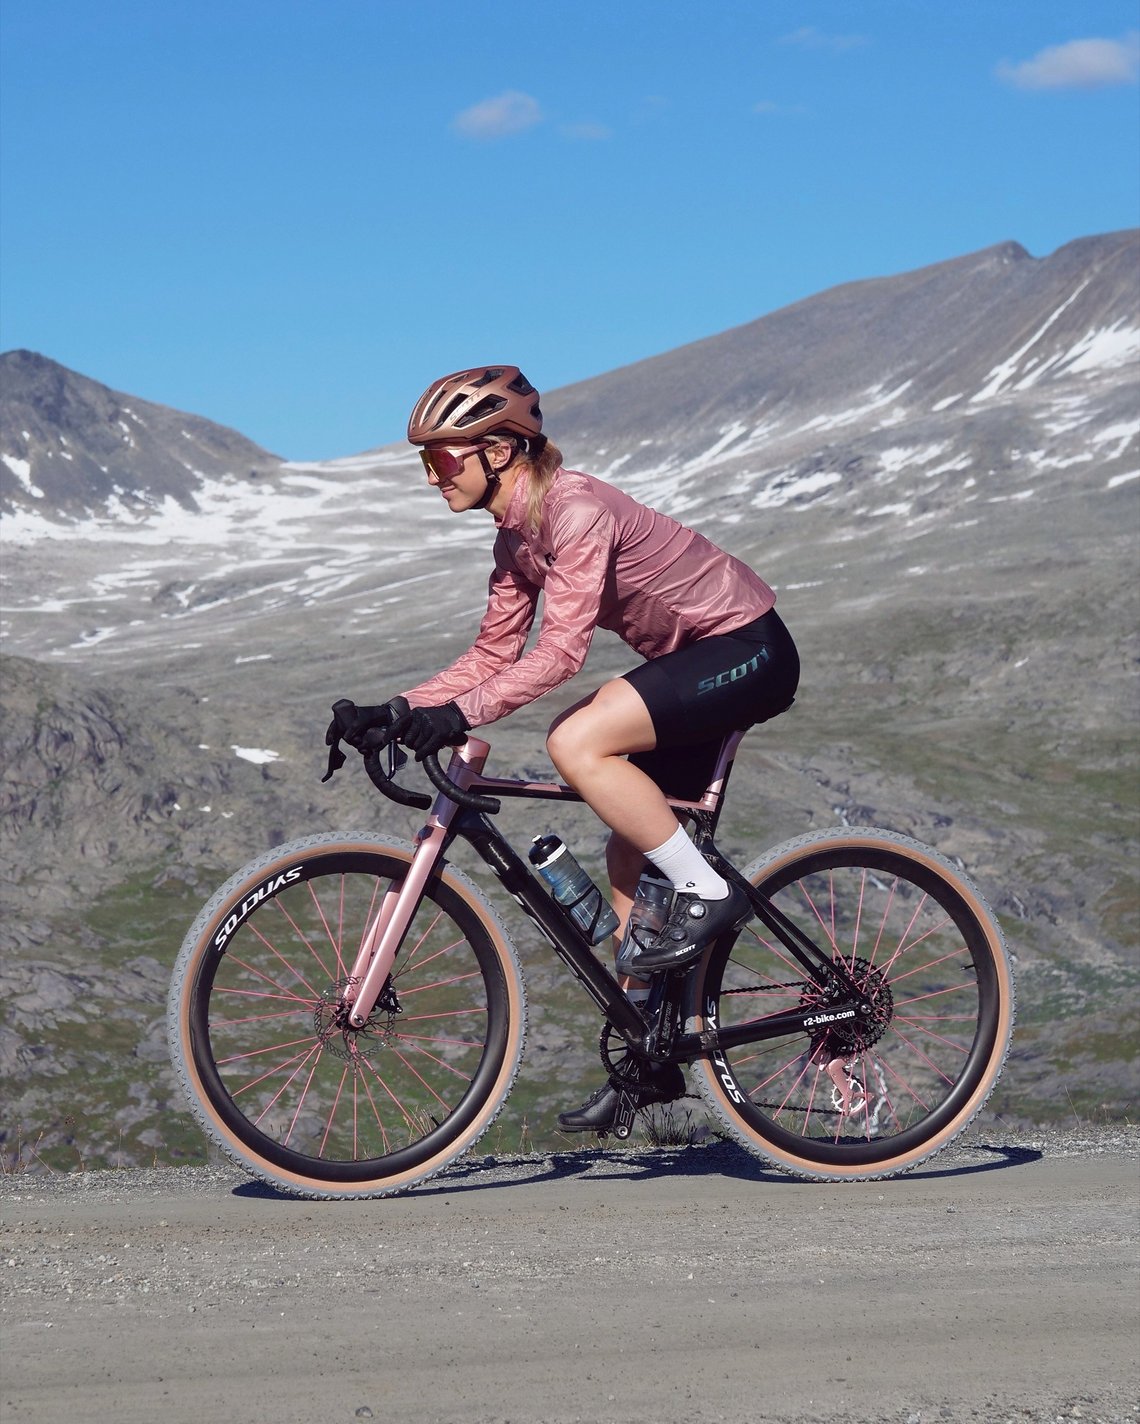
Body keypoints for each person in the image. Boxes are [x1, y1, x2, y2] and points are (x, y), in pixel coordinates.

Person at [337, 365, 799, 1131]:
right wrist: (398, 709)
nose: (431, 478)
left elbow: (558, 657)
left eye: (442, 459)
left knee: (574, 741)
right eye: (424, 463)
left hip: (746, 646)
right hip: (692, 663)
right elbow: (492, 654)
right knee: (631, 854)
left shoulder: (574, 510)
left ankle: (712, 894)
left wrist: (455, 718)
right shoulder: (516, 537)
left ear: (500, 449)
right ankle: (652, 1055)